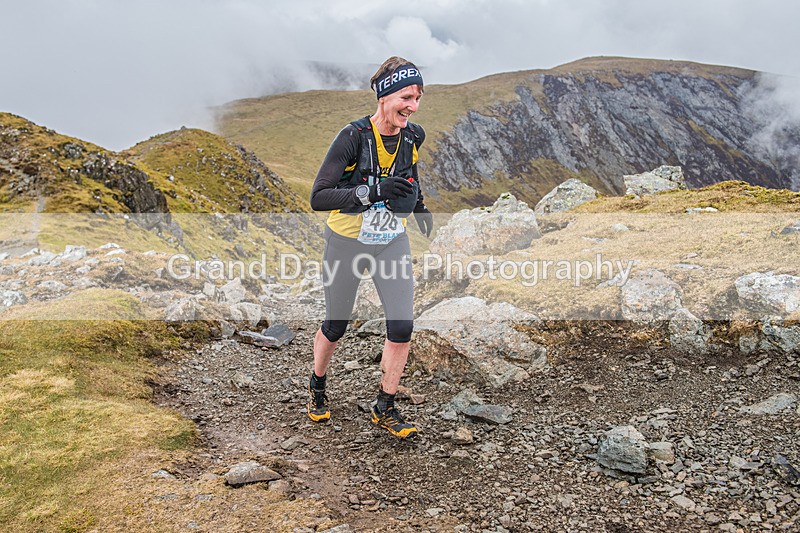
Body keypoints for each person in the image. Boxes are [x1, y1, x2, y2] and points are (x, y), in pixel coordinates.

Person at [306, 56, 434, 439]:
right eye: (406, 97)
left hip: (390, 241)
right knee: (336, 324)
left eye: (418, 97)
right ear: (384, 96)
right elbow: (319, 197)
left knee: (402, 326)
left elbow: (408, 173)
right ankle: (317, 383)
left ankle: (385, 405)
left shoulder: (413, 136)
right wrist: (372, 191)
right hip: (345, 242)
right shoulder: (353, 137)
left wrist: (420, 204)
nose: (413, 106)